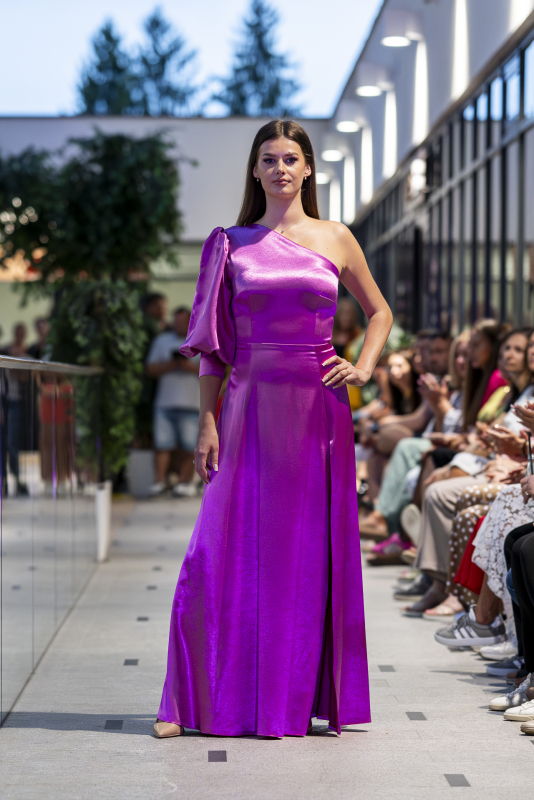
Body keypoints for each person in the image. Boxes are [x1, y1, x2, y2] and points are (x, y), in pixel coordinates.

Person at [153, 119, 392, 739]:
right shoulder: (228, 243)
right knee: (216, 547)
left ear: (308, 168)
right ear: (255, 171)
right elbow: (213, 349)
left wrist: (363, 367)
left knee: (304, 549)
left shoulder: (336, 237)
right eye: (268, 159)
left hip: (318, 408)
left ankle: (288, 699)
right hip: (247, 405)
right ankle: (191, 701)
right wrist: (207, 422)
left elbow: (379, 312)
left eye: (290, 158)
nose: (280, 169)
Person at [146, 307, 201, 497]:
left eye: (182, 322)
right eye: (176, 322)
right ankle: (159, 482)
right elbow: (150, 368)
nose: (179, 325)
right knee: (162, 444)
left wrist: (188, 366)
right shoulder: (161, 341)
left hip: (191, 402)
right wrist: (170, 365)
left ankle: (184, 482)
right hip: (165, 402)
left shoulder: (200, 340)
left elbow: (212, 371)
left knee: (189, 446)